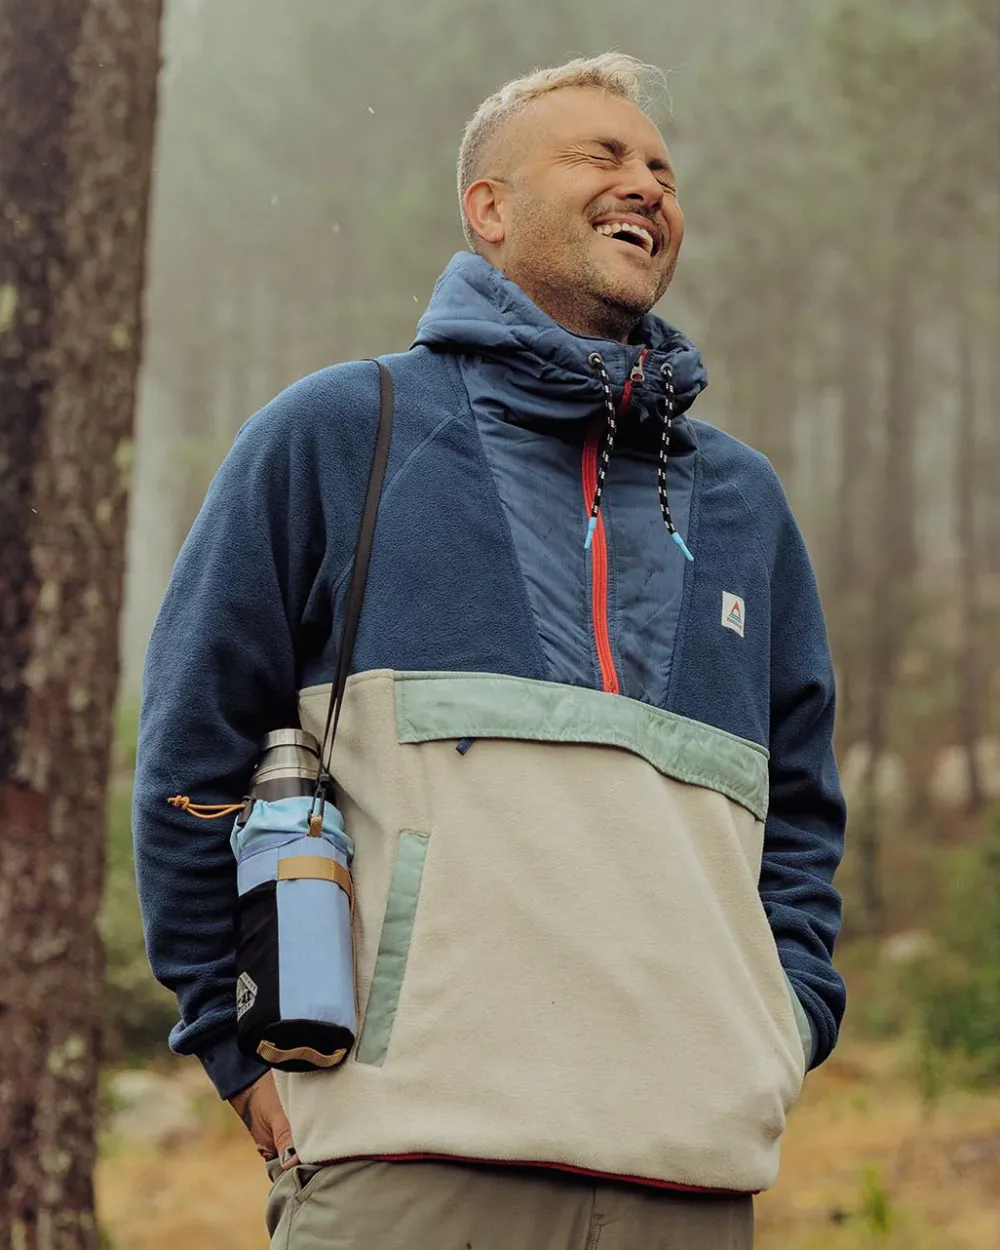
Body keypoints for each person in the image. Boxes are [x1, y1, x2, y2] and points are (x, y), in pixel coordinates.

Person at [133, 52, 846, 1250]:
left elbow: (804, 810)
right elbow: (188, 759)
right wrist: (230, 1038)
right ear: (490, 208)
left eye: (662, 169)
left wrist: (783, 1023)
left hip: (691, 1176)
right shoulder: (341, 435)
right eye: (601, 156)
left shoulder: (744, 503)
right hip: (405, 1164)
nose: (646, 184)